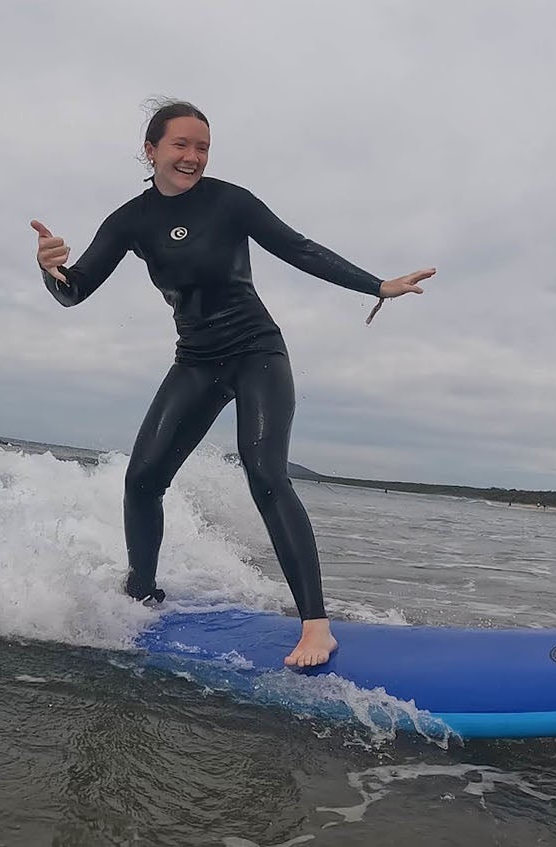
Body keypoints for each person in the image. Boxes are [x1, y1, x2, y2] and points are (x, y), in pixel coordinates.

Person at [31, 100, 432, 668]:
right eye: (181, 145)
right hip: (195, 360)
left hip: (256, 353)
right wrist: (50, 270)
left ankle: (316, 627)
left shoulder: (229, 201)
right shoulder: (130, 220)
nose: (193, 157)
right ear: (150, 150)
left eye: (203, 147)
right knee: (142, 480)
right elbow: (75, 291)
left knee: (266, 473)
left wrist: (376, 285)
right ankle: (141, 596)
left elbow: (299, 248)